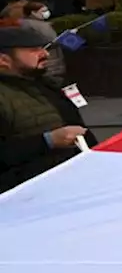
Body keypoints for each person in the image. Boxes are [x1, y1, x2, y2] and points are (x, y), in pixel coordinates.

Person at [0, 20, 96, 193]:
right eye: (33, 50)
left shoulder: (46, 85)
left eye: (43, 48)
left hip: (71, 183)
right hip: (25, 195)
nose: (45, 54)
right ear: (4, 60)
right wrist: (48, 141)